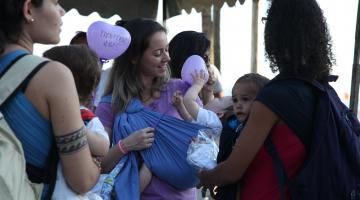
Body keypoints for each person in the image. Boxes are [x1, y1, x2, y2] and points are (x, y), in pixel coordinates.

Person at [198, 0, 335, 199]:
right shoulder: (322, 90)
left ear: (276, 33)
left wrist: (206, 177)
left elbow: (232, 170)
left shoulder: (273, 97)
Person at [0, 0, 102, 198]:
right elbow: (82, 180)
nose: (62, 11)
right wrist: (98, 162)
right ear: (28, 9)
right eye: (55, 3)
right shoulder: (53, 75)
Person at [95, 18, 200, 199]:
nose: (167, 57)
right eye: (158, 53)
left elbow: (206, 138)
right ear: (134, 57)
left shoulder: (182, 91)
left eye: (166, 50)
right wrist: (125, 145)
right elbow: (98, 166)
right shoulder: (110, 105)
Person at [43, 45, 110, 199]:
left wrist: (72, 125)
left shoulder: (84, 116)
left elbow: (103, 145)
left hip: (69, 192)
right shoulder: (43, 108)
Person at [215, 73, 269, 200]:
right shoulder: (231, 125)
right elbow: (222, 158)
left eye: (245, 99)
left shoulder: (265, 130)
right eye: (235, 100)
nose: (238, 104)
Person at [169, 31, 221, 105]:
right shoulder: (172, 93)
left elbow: (207, 115)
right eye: (205, 58)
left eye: (208, 59)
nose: (208, 64)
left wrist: (207, 91)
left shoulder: (201, 85)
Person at [172, 69, 222, 136]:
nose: (214, 97)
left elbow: (188, 100)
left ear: (220, 113)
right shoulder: (211, 124)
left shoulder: (213, 122)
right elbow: (190, 120)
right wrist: (180, 107)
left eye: (219, 100)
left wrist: (198, 84)